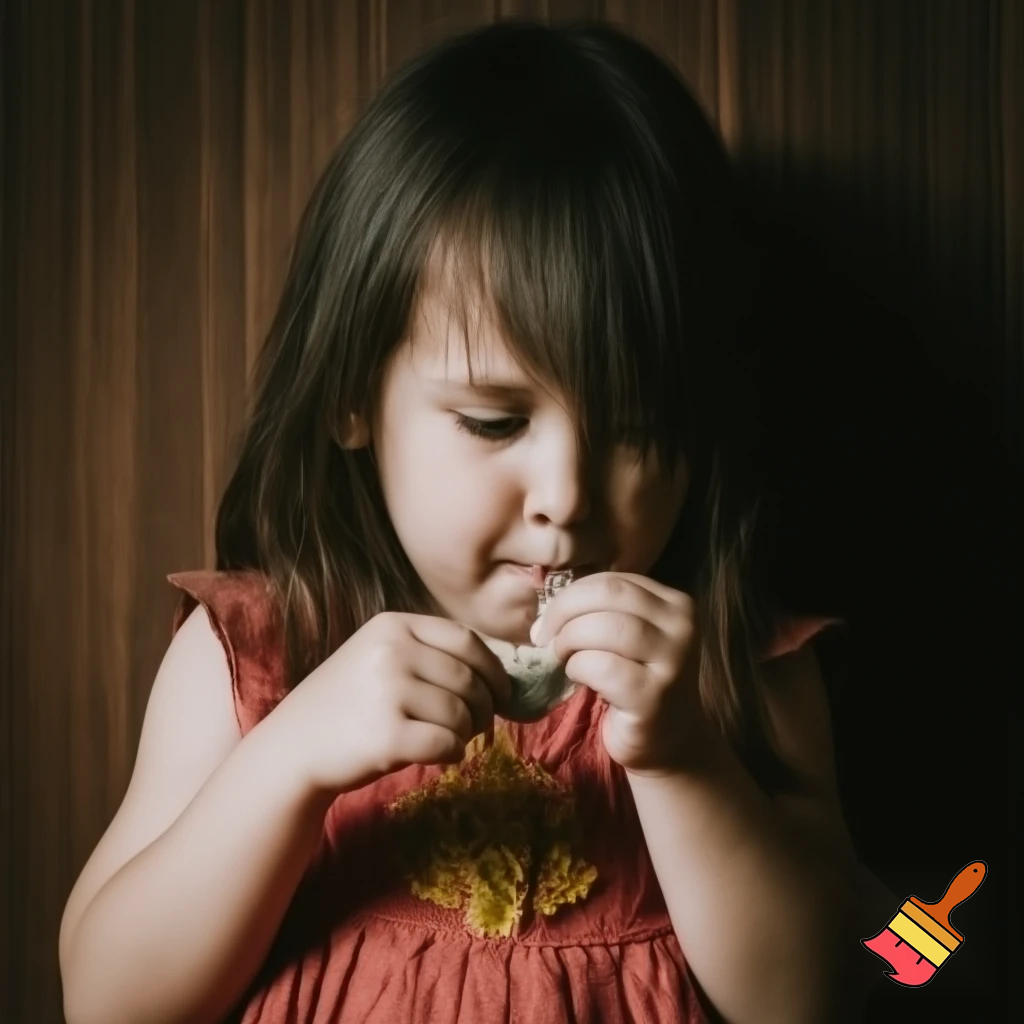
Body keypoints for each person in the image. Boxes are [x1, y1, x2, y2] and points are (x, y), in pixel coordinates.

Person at [58, 19, 894, 1024]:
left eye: (637, 428)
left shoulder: (737, 668)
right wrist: (289, 760)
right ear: (352, 397)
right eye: (494, 421)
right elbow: (107, 1001)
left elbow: (823, 994)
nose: (566, 494)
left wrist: (683, 761)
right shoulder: (258, 657)